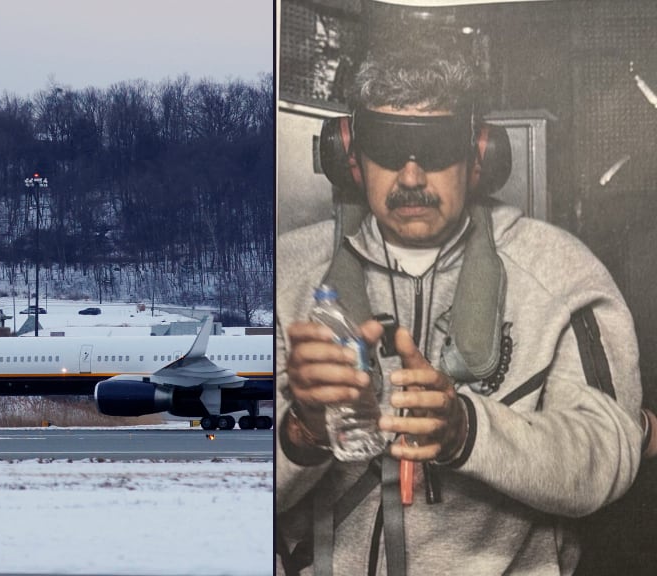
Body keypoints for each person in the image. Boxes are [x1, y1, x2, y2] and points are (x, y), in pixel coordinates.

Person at [275, 32, 645, 576]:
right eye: (386, 144)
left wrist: (468, 431)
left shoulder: (563, 274)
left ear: (480, 156)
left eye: (437, 147)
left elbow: (608, 456)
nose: (410, 177)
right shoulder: (280, 277)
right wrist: (302, 432)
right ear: (348, 153)